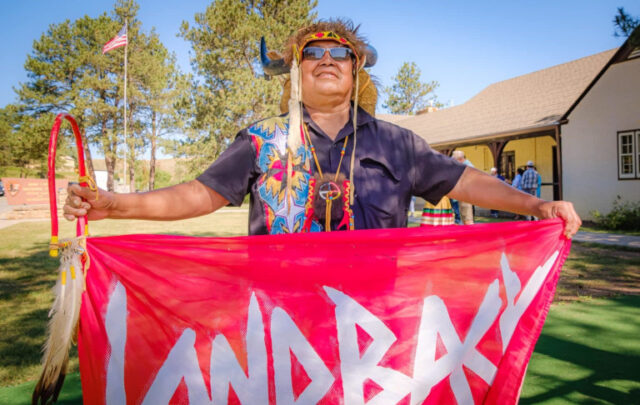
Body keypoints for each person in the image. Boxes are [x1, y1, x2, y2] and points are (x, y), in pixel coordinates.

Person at [63, 19, 581, 239]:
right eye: (313, 53)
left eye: (342, 54)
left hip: (375, 314)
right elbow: (197, 195)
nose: (327, 59)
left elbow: (465, 182)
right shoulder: (260, 140)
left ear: (357, 74)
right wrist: (117, 205)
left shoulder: (397, 142)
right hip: (281, 314)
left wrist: (537, 205)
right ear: (296, 71)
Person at [451, 151, 475, 225]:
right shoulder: (463, 166)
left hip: (465, 196)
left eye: (455, 160)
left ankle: (471, 235)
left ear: (460, 159)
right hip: (461, 195)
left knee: (467, 219)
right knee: (464, 218)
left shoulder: (468, 166)